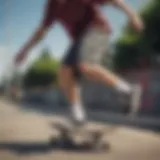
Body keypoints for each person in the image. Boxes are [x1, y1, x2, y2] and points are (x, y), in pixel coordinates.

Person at [14, 0, 144, 125]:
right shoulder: (52, 4)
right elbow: (42, 30)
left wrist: (132, 15)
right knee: (64, 73)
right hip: (79, 39)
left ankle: (129, 91)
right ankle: (78, 116)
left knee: (85, 66)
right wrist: (25, 50)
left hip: (97, 29)